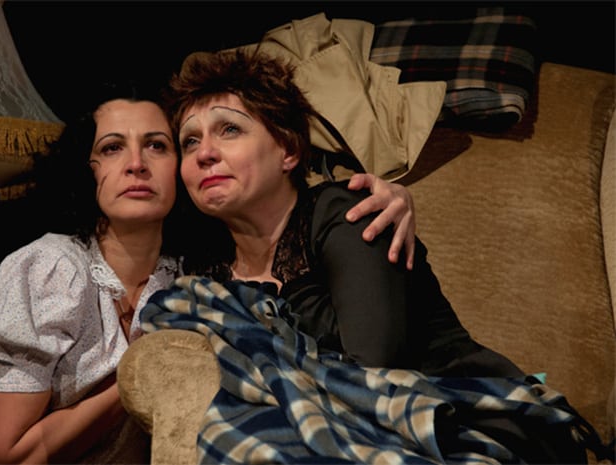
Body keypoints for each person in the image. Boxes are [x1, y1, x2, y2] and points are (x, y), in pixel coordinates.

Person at [138, 48, 608, 463]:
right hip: (326, 437)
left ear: (288, 150)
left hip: (459, 422)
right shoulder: (206, 273)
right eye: (190, 141)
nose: (205, 153)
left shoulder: (350, 211)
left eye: (229, 130)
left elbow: (373, 370)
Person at [0, 81, 420, 464]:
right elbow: (7, 456)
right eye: (112, 148)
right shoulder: (51, 267)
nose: (136, 164)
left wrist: (393, 194)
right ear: (84, 170)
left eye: (157, 146)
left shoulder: (193, 275)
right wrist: (142, 371)